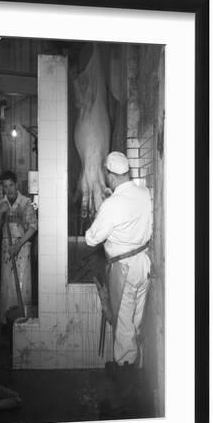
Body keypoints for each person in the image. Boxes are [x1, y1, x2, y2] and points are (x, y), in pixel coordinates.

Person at [85, 152, 152, 402]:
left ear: (112, 175)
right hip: (143, 263)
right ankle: (132, 369)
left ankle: (125, 386)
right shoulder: (144, 194)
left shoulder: (112, 204)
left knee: (123, 324)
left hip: (122, 268)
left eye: (108, 176)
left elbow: (93, 237)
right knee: (135, 320)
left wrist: (100, 212)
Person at [0, 170, 38, 325]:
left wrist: (18, 245)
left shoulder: (25, 202)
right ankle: (6, 320)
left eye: (11, 185)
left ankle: (23, 318)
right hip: (6, 247)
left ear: (16, 184)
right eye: (5, 186)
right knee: (7, 283)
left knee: (23, 284)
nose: (9, 189)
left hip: (23, 246)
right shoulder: (1, 204)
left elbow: (32, 227)